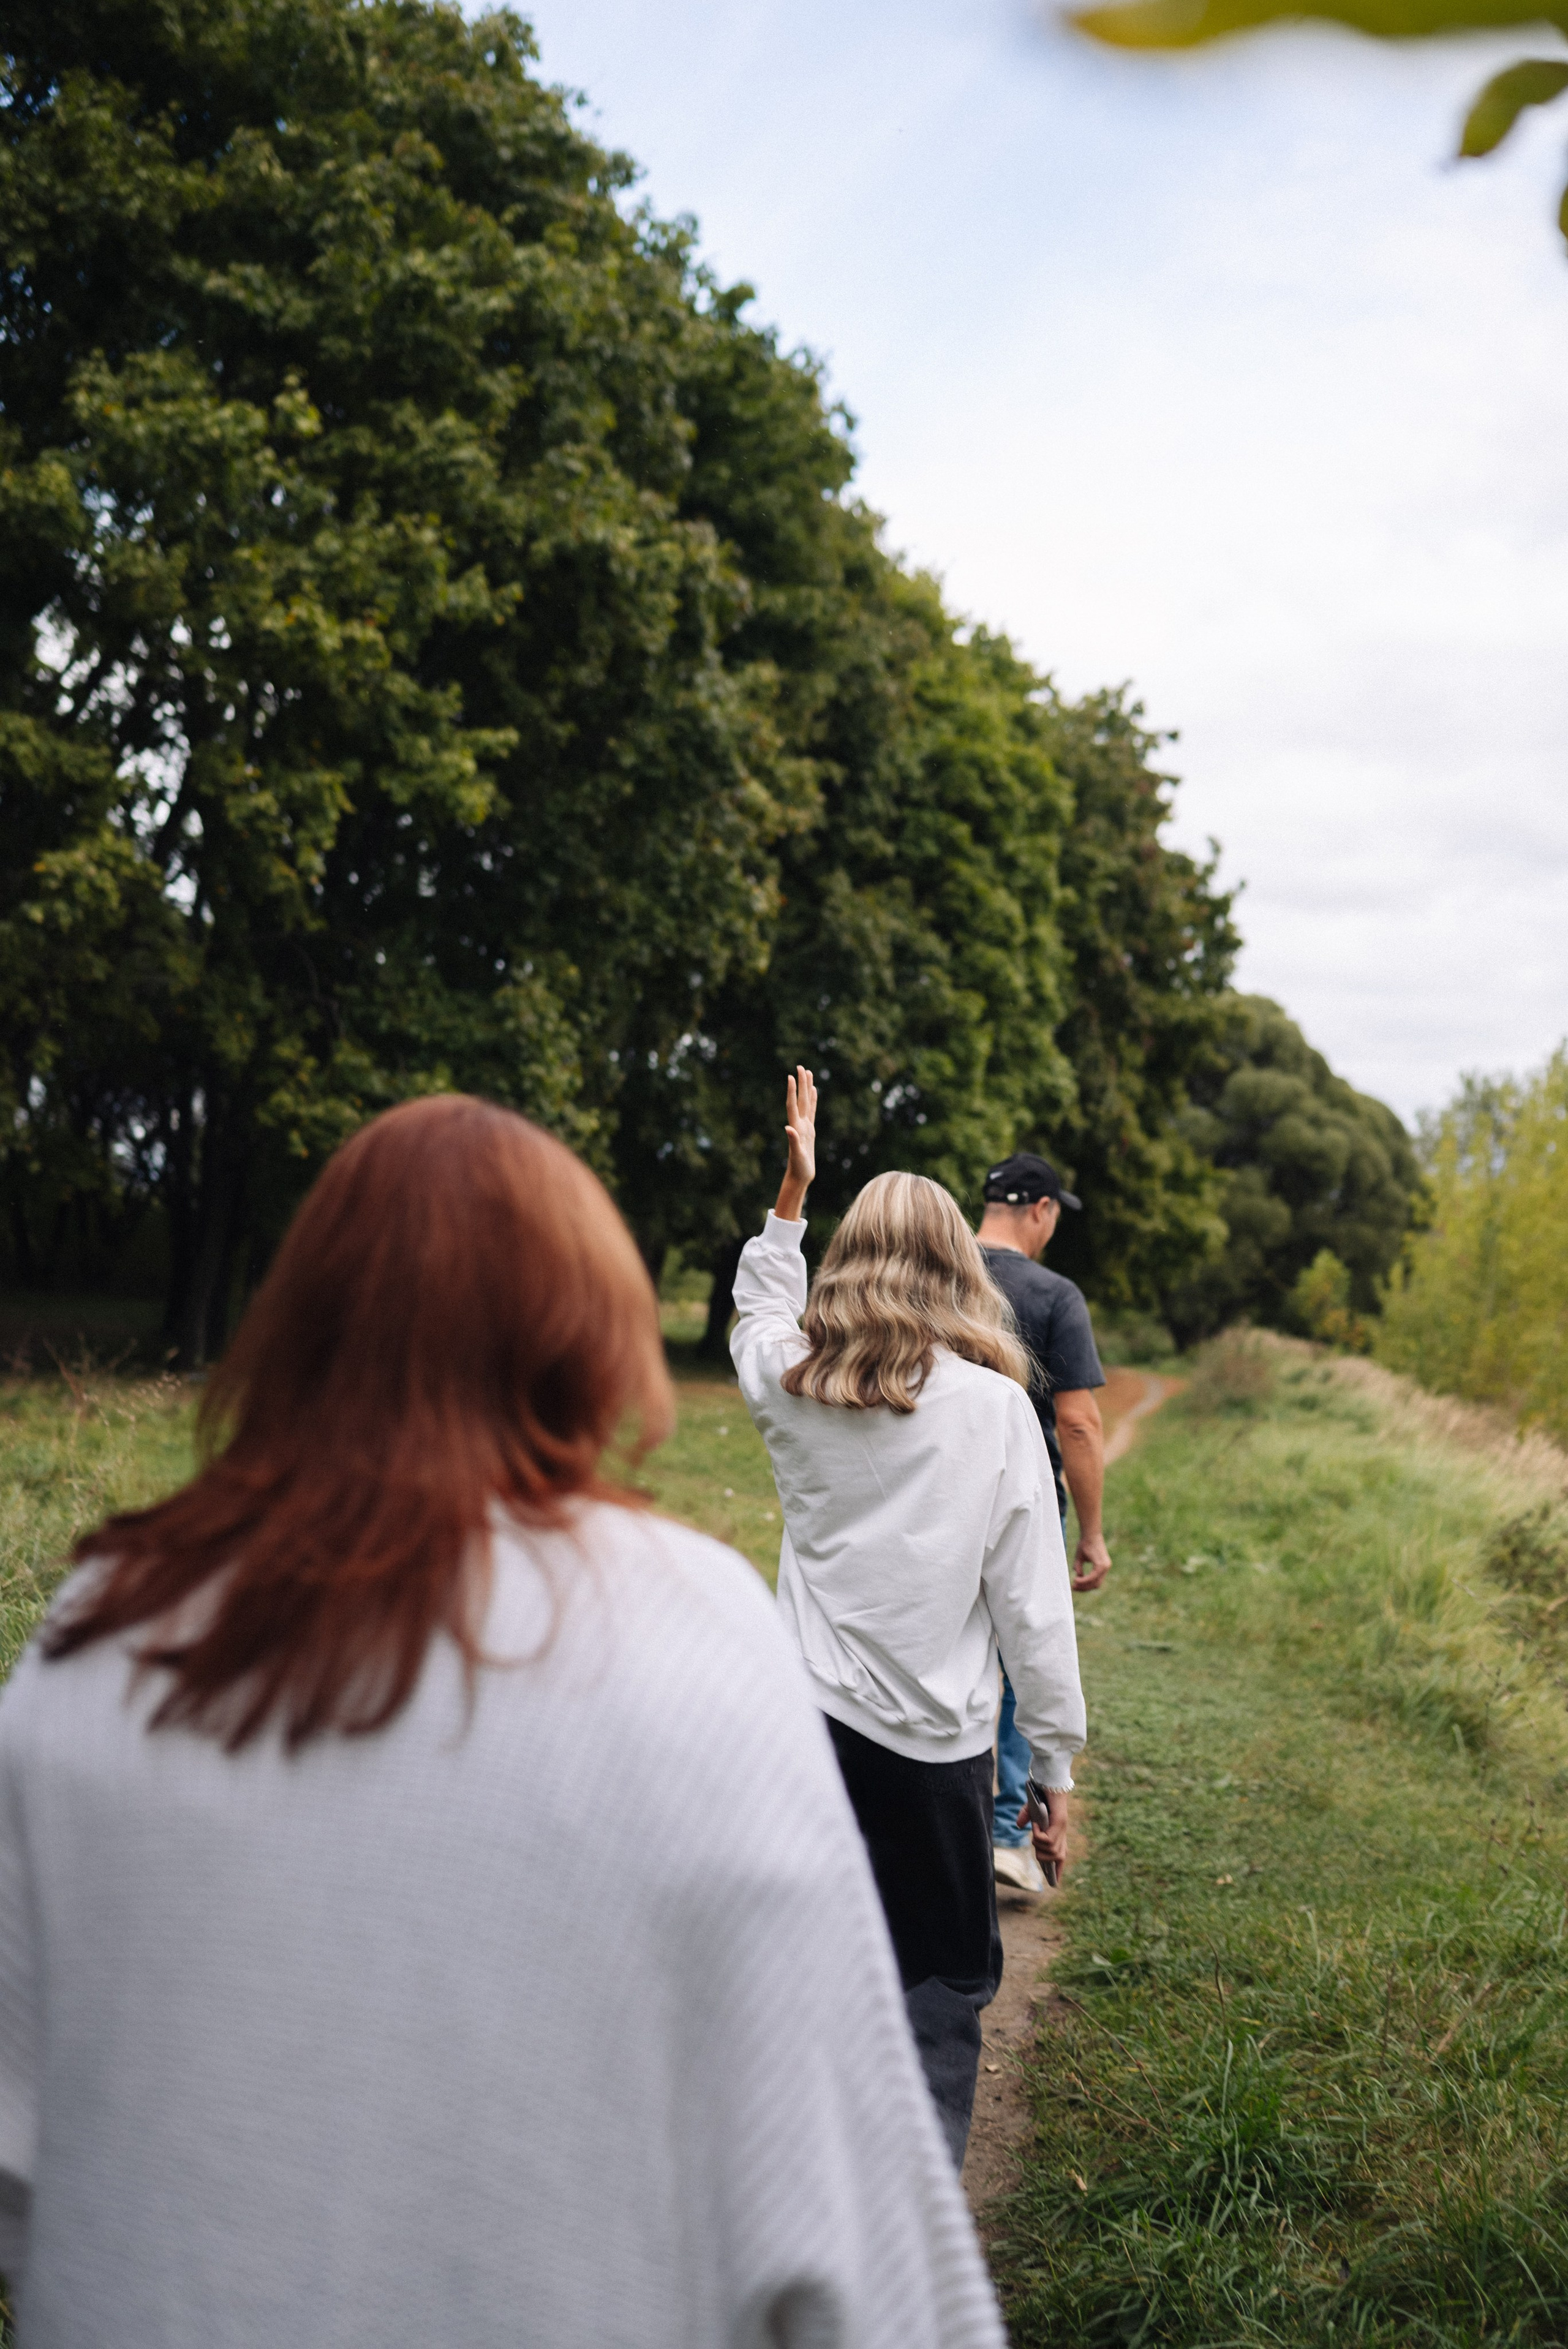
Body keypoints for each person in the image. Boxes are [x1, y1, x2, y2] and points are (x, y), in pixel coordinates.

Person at [0, 1095, 1007, 2349]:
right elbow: (855, 2227)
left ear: (296, 1320)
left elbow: (25, 2161)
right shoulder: (686, 1620)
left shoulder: (96, 1633)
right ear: (585, 1335)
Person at [730, 1071, 1085, 2170]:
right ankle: (910, 2253)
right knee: (935, 2009)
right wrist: (1056, 1773)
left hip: (807, 1745)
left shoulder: (796, 1383)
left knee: (807, 1995)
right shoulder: (994, 1409)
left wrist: (793, 1194)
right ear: (954, 1266)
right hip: (939, 1764)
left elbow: (759, 1311)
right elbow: (1032, 1611)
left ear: (851, 1260)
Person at [975, 1152, 1110, 1896]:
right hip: (1021, 1509)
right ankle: (1005, 1834)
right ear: (1042, 1211)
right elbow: (1080, 1425)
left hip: (933, 1494)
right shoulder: (1052, 1294)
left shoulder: (930, 1269)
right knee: (1024, 1660)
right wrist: (1090, 1532)